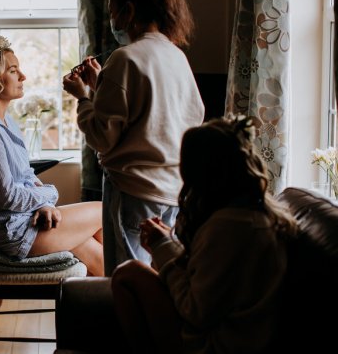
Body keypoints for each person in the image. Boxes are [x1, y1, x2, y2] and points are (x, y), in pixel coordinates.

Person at [111, 115, 299, 354]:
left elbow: (195, 310)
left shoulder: (231, 228)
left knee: (129, 273)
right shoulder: (253, 215)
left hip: (217, 345)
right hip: (231, 334)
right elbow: (209, 280)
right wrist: (167, 244)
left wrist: (163, 249)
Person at [62, 0, 205, 274]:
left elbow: (103, 136)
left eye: (113, 10)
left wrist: (83, 97)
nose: (112, 19)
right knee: (162, 274)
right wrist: (101, 84)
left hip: (134, 190)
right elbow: (151, 112)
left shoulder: (125, 58)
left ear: (128, 11)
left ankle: (127, 325)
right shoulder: (176, 56)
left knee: (127, 278)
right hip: (173, 189)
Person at [0, 35, 104, 276]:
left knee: (91, 246)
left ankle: (114, 302)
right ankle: (127, 300)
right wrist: (50, 194)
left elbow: (26, 175)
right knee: (102, 211)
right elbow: (7, 197)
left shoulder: (6, 124)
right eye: (14, 71)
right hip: (10, 230)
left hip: (23, 218)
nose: (23, 76)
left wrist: (44, 205)